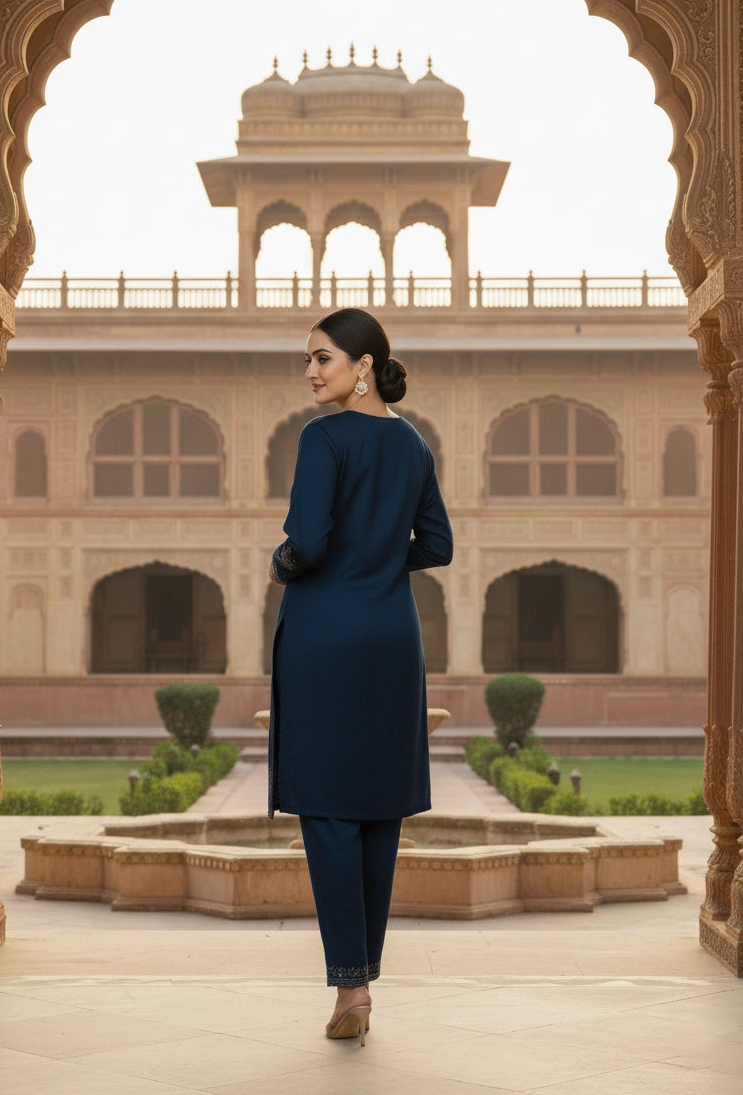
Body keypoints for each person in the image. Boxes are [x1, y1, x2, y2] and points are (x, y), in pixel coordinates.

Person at [268, 307, 453, 1045]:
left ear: (363, 366)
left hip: (327, 637)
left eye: (322, 358)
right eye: (309, 360)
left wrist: (284, 563)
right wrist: (376, 561)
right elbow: (435, 544)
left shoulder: (324, 438)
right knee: (378, 809)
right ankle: (360, 978)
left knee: (330, 808)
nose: (312, 372)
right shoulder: (411, 441)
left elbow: (305, 543)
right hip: (391, 635)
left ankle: (352, 986)